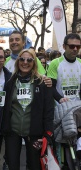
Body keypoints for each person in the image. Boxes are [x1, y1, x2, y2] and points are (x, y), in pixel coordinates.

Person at [2, 48, 54, 170]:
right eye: (22, 59)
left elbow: (48, 109)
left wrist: (48, 133)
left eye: (29, 60)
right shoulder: (10, 82)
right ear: (17, 62)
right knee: (12, 165)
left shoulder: (42, 82)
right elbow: (5, 107)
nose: (25, 62)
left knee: (34, 165)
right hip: (12, 132)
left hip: (34, 133)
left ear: (34, 63)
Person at [47, 33, 81, 169]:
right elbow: (51, 87)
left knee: (76, 142)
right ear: (64, 47)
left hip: (77, 110)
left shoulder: (80, 64)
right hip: (61, 109)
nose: (75, 49)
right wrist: (60, 99)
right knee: (62, 143)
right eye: (72, 46)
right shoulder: (56, 63)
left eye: (78, 47)